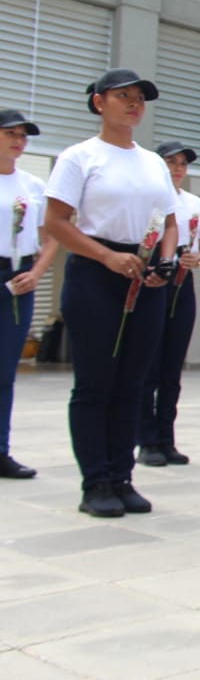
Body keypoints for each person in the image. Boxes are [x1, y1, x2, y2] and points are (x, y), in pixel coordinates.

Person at [44, 69, 179, 517]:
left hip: (145, 275)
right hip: (96, 273)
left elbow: (169, 220)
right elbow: (57, 223)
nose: (134, 104)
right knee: (96, 381)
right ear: (100, 102)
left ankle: (122, 476)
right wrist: (106, 257)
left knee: (133, 382)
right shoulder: (80, 157)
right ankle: (96, 481)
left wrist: (166, 261)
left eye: (140, 98)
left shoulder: (153, 162)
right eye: (124, 96)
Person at [136, 140, 200, 468]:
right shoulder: (148, 201)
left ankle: (166, 437)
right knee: (148, 364)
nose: (178, 169)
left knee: (172, 366)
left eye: (182, 163)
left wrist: (197, 258)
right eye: (171, 162)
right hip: (155, 274)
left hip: (183, 280)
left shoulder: (195, 203)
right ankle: (146, 438)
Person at [0, 109, 58, 480]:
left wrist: (36, 272)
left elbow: (52, 235)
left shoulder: (33, 185)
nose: (19, 141)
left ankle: (0, 449)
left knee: (5, 369)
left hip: (19, 276)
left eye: (24, 136)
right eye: (11, 134)